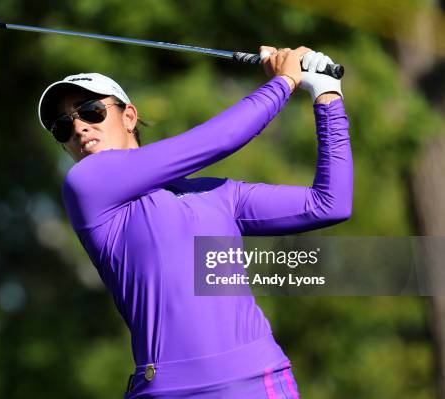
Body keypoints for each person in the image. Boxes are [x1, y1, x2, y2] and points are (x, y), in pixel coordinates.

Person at [37, 45, 352, 398]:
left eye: (91, 111)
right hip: (167, 390)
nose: (78, 128)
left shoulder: (219, 194)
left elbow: (329, 203)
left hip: (257, 382)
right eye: (62, 127)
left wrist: (326, 94)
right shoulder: (86, 185)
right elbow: (217, 140)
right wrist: (284, 82)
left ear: (129, 116)